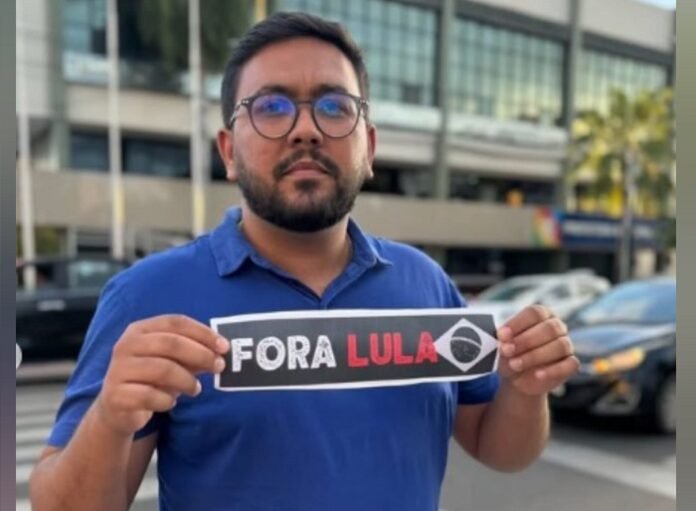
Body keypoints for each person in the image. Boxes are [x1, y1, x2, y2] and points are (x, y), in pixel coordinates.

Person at [30, 12, 579, 511]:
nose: (306, 129)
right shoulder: (148, 296)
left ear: (368, 147)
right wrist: (109, 418)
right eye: (271, 107)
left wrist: (525, 389)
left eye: (334, 106)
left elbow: (499, 448)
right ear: (228, 150)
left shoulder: (426, 284)